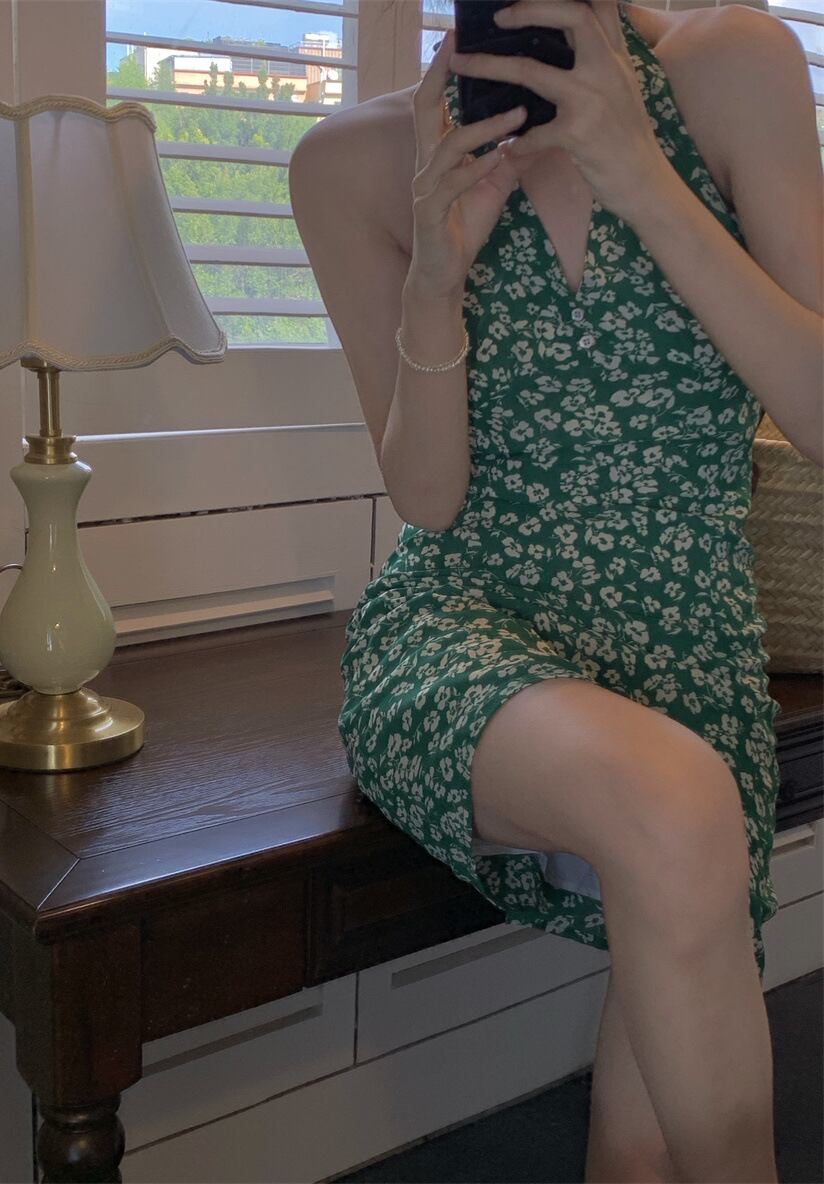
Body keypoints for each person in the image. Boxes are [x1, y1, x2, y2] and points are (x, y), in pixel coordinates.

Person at [290, 1, 823, 1179]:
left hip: (688, 650)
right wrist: (437, 276)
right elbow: (428, 500)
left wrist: (644, 177)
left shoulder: (734, 68)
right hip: (464, 629)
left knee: (644, 1145)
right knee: (679, 801)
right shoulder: (351, 163)